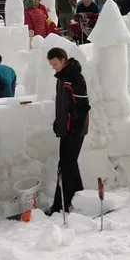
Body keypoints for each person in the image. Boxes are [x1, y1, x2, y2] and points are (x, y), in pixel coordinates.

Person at [47, 47, 89, 215]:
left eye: (55, 64)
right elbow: (64, 105)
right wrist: (59, 122)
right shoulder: (61, 78)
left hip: (76, 130)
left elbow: (83, 106)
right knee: (69, 163)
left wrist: (75, 126)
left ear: (63, 60)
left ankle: (61, 205)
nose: (54, 67)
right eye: (52, 65)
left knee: (65, 165)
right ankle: (80, 196)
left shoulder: (74, 78)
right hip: (67, 128)